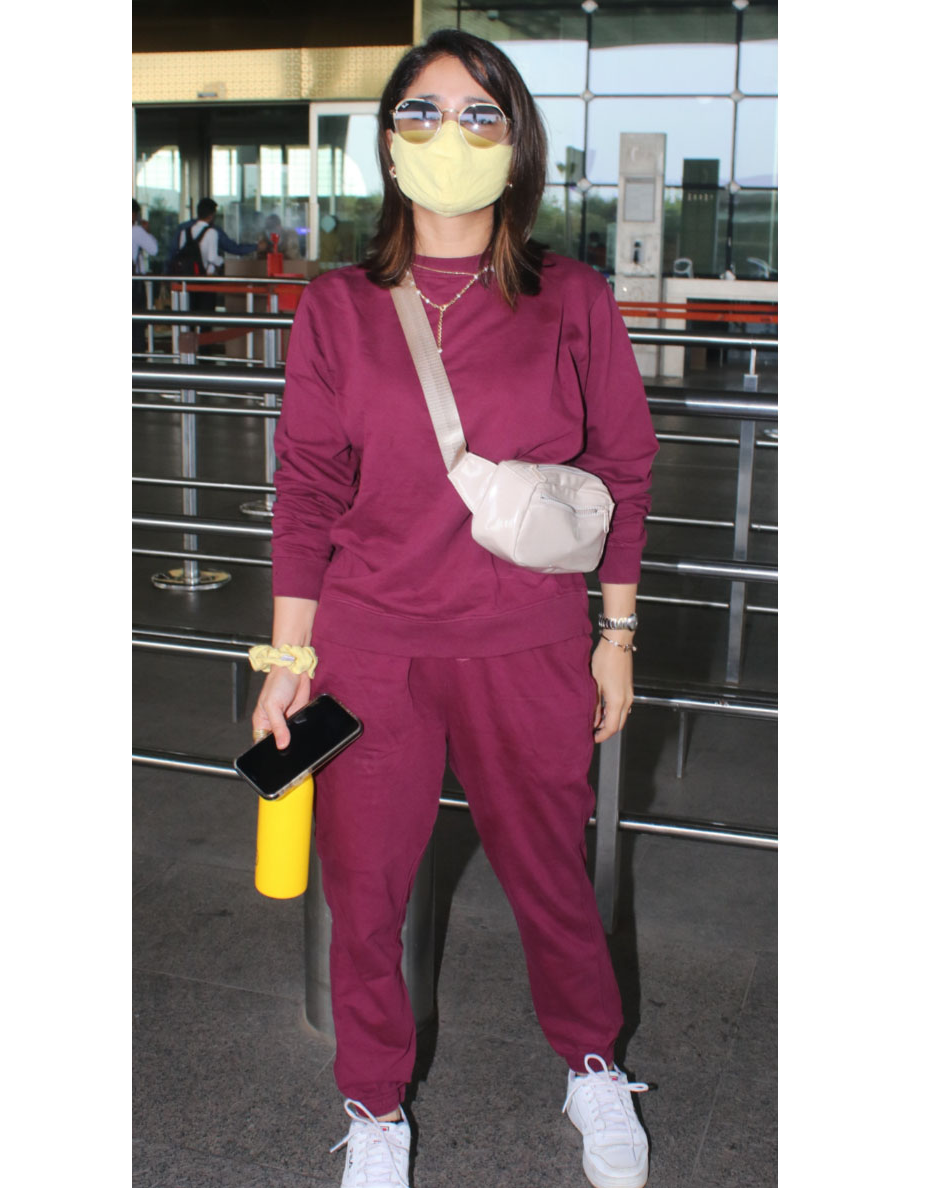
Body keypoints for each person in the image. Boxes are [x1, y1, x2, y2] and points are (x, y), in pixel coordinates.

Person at [252, 29, 659, 1188]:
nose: (451, 135)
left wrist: (615, 635)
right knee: (364, 889)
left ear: (515, 143)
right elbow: (307, 486)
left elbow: (622, 471)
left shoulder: (570, 298)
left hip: (525, 639)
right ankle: (375, 1105)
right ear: (388, 142)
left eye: (480, 114)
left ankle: (591, 1064)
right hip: (368, 645)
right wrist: (287, 659)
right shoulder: (336, 307)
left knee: (550, 874)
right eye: (423, 112)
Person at [132, 198, 158, 354]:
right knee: (136, 324)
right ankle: (137, 358)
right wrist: (147, 232)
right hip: (133, 285)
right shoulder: (136, 231)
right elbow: (154, 249)